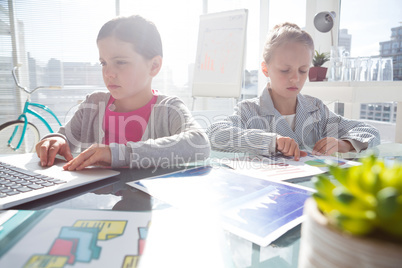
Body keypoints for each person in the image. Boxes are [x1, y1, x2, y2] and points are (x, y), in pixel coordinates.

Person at [36, 15, 210, 170]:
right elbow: (64, 139)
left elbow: (199, 143)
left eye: (120, 62)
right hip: (95, 204)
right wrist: (55, 141)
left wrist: (118, 154)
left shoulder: (169, 108)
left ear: (154, 66)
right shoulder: (93, 104)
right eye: (103, 63)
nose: (108, 73)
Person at [207, 22, 380, 160]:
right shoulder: (248, 110)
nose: (295, 78)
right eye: (285, 70)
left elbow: (369, 131)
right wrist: (271, 141)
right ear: (265, 69)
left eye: (303, 70)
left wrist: (345, 144)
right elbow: (215, 134)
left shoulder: (316, 109)